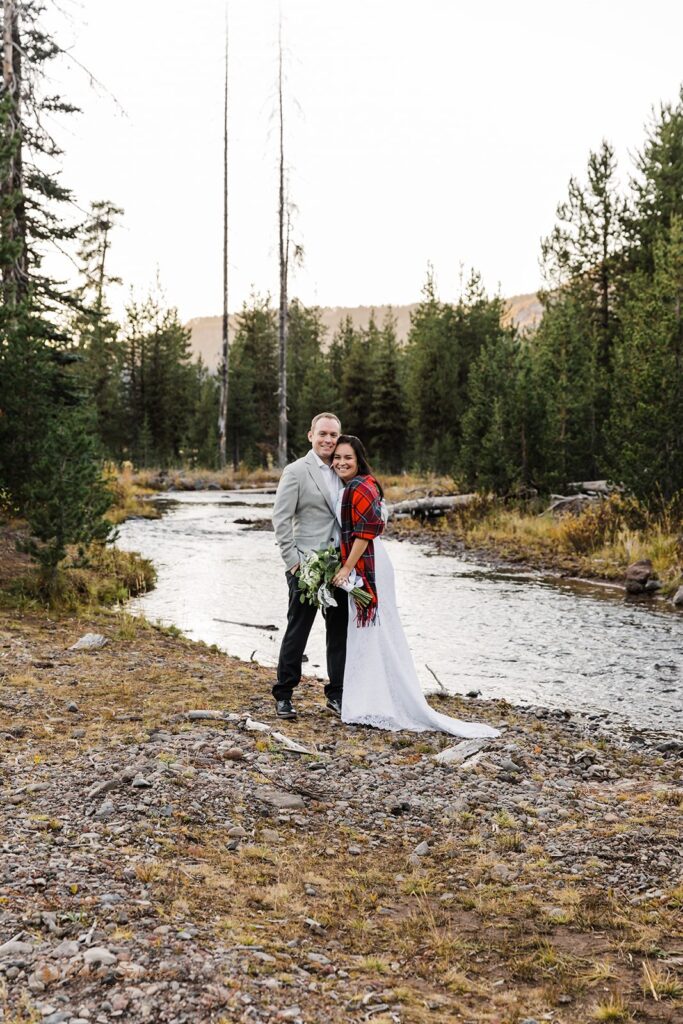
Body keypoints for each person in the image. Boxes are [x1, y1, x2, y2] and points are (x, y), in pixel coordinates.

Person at [330, 435, 500, 738]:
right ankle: (369, 701)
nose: (341, 462)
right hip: (367, 563)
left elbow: (365, 533)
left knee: (376, 632)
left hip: (367, 563)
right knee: (369, 634)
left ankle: (382, 703)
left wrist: (345, 568)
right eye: (337, 458)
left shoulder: (361, 486)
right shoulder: (356, 485)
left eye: (348, 458)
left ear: (359, 461)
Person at [271, 412, 348, 719]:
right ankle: (284, 694)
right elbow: (281, 519)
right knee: (298, 630)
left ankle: (337, 694)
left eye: (333, 435)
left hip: (341, 568)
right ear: (310, 436)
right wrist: (293, 565)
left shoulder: (345, 468)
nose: (328, 440)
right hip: (306, 566)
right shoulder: (296, 471)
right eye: (323, 434)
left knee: (339, 632)